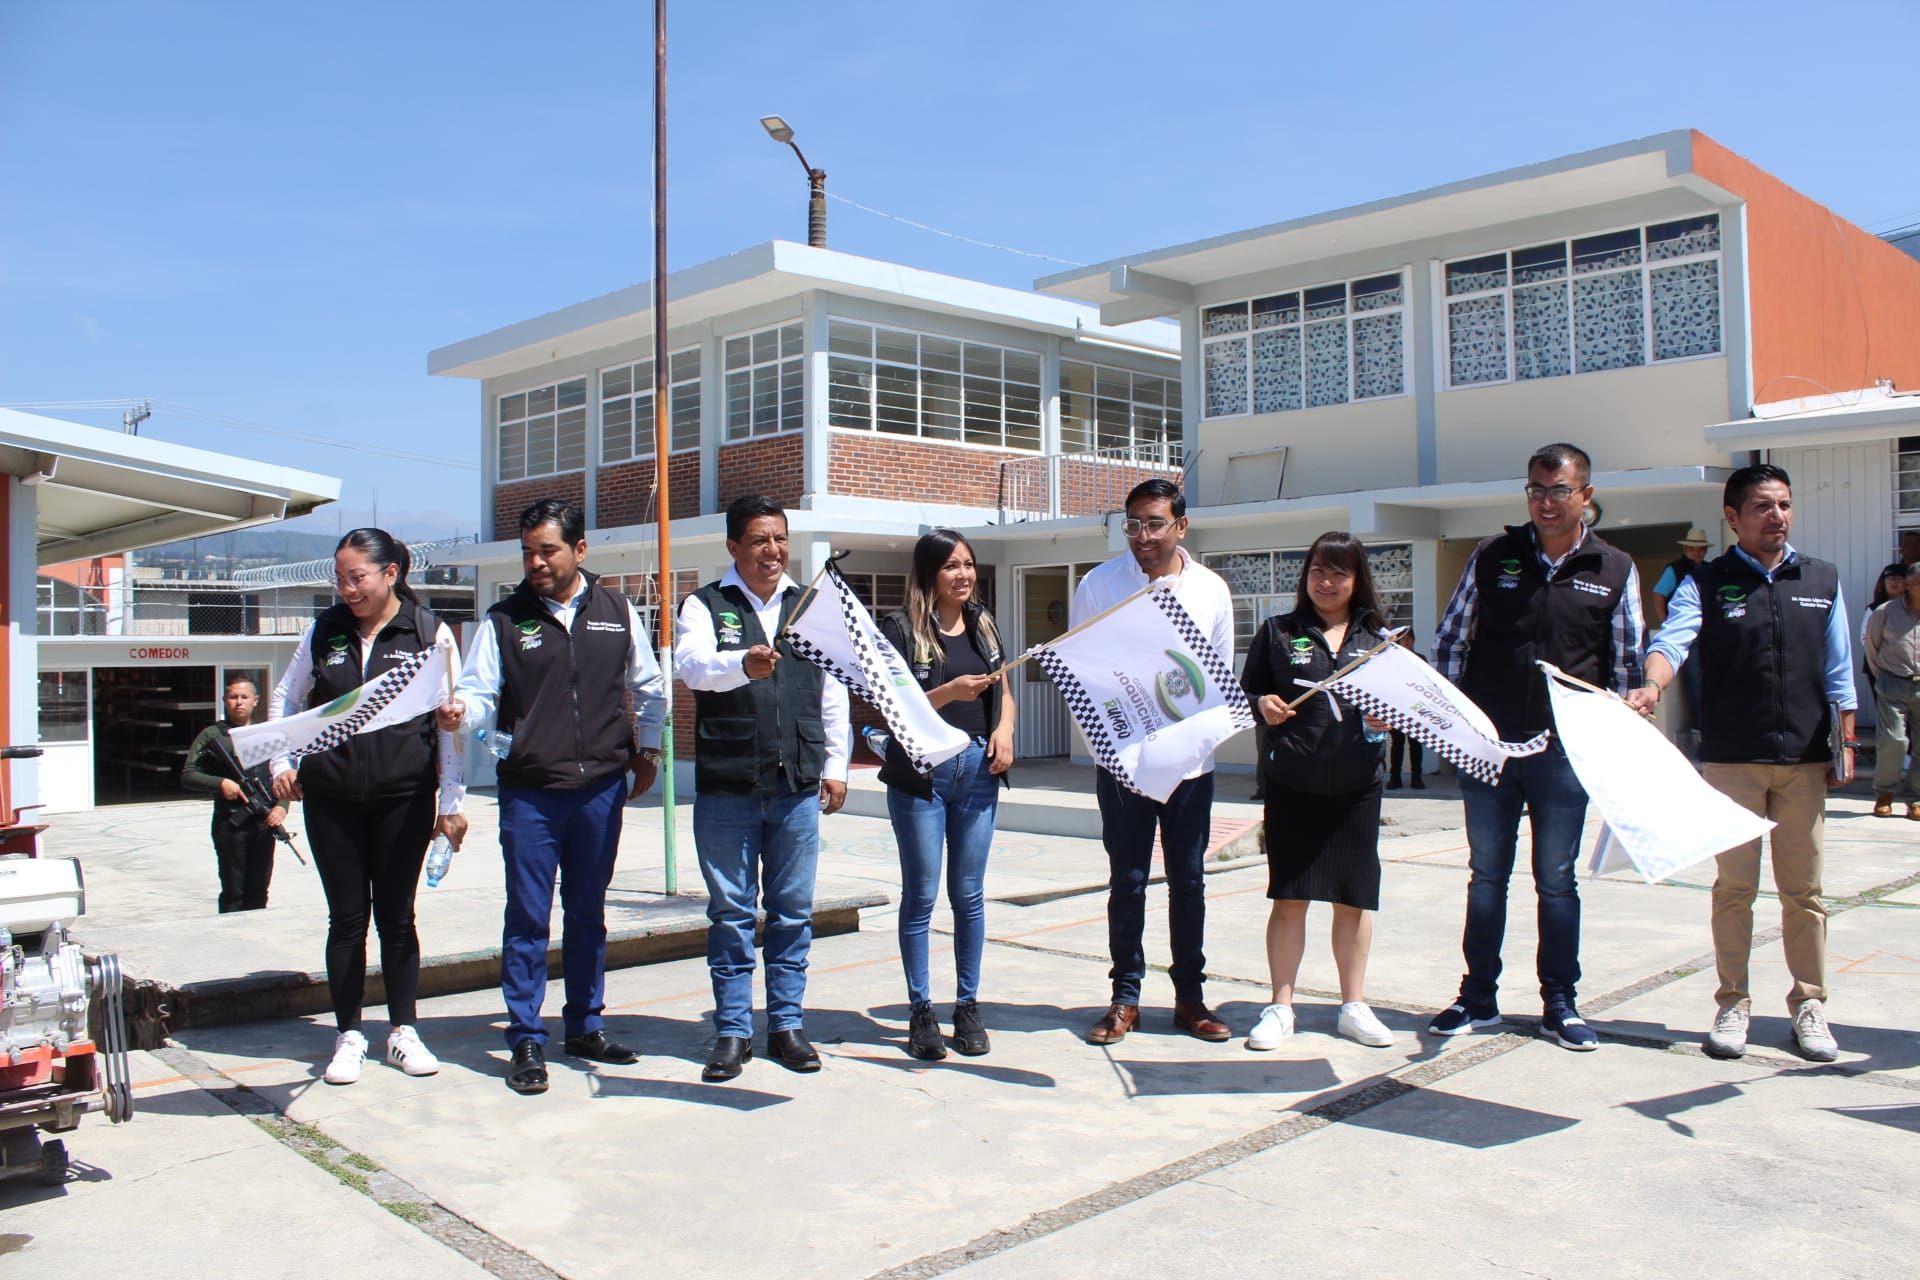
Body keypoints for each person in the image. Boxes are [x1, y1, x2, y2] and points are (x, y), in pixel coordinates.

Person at [1628, 464, 1857, 1063]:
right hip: (1733, 761)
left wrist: (1846, 745)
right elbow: (1672, 640)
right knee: (1735, 890)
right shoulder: (1706, 582)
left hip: (1804, 760)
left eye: (1783, 504)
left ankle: (1809, 1004)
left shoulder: (1822, 579)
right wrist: (1652, 686)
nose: (1775, 516)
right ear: (1732, 518)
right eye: (1761, 507)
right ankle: (1733, 1004)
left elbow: (1839, 672)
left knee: (1803, 892)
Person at [441, 499, 667, 1095]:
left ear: (579, 550)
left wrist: (647, 752)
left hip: (599, 790)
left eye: (548, 550)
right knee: (528, 918)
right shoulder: (505, 619)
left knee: (589, 912)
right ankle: (524, 1037)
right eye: (528, 552)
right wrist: (464, 715)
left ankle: (586, 1025)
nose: (536, 562)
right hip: (532, 795)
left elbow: (649, 687)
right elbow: (479, 692)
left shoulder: (617, 610)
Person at [1429, 443, 1643, 1052]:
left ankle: (1560, 1002)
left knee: (1555, 880)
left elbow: (1627, 663)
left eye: (1559, 491)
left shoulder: (1614, 568)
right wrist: (1459, 724)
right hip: (1493, 747)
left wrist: (1624, 730)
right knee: (1485, 876)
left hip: (1564, 754)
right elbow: (1450, 643)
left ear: (1586, 496)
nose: (1545, 503)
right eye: (1535, 490)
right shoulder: (1494, 555)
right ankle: (1478, 999)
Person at [270, 529, 466, 1085]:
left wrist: (449, 803)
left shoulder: (429, 632)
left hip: (403, 798)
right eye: (340, 578)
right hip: (331, 798)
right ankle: (349, 1034)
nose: (347, 588)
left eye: (357, 576)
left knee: (397, 920)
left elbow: (446, 725)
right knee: (347, 921)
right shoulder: (323, 630)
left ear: (390, 574)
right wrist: (281, 763)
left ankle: (403, 1031)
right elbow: (286, 698)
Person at [677, 495, 850, 1082]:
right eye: (758, 540)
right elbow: (693, 666)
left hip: (797, 784)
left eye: (779, 539)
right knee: (730, 914)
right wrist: (740, 665)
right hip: (728, 783)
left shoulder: (812, 606)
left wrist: (837, 766)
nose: (771, 551)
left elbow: (832, 690)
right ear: (733, 547)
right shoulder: (705, 605)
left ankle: (786, 1025)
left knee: (792, 913)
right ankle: (731, 1031)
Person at [1075, 479, 1236, 1047]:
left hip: (1188, 764)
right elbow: (1084, 670)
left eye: (1154, 524)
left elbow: (1215, 681)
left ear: (1181, 526)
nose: (1143, 536)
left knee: (1188, 882)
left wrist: (1189, 745)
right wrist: (1116, 742)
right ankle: (1125, 998)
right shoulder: (1099, 584)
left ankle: (1190, 997)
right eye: (1133, 524)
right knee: (1129, 881)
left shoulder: (1211, 590)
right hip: (1123, 760)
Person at [1240, 532, 1396, 1050]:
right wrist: (1263, 704)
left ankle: (1353, 1005)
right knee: (1290, 897)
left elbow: (1406, 707)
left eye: (1339, 574)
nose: (1326, 583)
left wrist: (1386, 721)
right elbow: (1246, 693)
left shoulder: (1380, 640)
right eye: (1317, 572)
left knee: (1354, 901)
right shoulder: (1280, 632)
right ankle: (1281, 1008)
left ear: (1357, 581)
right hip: (1293, 784)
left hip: (1357, 787)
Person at [877, 530, 1015, 1060]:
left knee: (970, 895)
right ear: (929, 573)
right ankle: (921, 1010)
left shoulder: (983, 623)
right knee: (921, 896)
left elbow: (1004, 691)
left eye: (969, 564)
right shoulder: (899, 628)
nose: (963, 574)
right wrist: (948, 694)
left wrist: (1004, 732)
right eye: (951, 566)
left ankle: (967, 1006)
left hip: (979, 770)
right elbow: (892, 709)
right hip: (921, 775)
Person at [181, 676, 285, 913]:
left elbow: (281, 775)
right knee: (233, 891)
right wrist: (221, 784)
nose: (239, 702)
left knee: (259, 890)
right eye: (233, 697)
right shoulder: (212, 735)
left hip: (263, 823)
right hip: (230, 823)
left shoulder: (266, 732)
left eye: (244, 697)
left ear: (255, 701)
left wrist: (282, 807)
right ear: (225, 700)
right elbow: (188, 774)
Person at [1863, 561, 1920, 820]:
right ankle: (1885, 793)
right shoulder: (1885, 612)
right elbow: (1872, 649)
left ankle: (1916, 799)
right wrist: (1884, 676)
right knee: (1894, 740)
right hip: (1893, 683)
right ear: (1908, 585)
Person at [1651, 527, 1712, 744]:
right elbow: (1659, 594)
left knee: (1710, 678)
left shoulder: (1709, 569)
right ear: (1686, 549)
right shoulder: (1674, 570)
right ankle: (1699, 725)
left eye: (1701, 550)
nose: (1697, 553)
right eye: (1694, 549)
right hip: (1688, 637)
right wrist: (1668, 623)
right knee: (1694, 679)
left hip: (1709, 634)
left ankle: (1709, 723)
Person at [1860, 562, 1906, 702]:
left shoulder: (1914, 608)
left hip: (1910, 670)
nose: (1894, 582)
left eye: (1898, 579)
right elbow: (1865, 639)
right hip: (1880, 668)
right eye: (1889, 579)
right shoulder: (1874, 609)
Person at [1385, 628, 1424, 790]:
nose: (1407, 641)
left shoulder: (1420, 659)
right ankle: (1395, 778)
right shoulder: (1391, 659)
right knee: (1397, 743)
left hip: (1415, 707)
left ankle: (1417, 778)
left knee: (1415, 743)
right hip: (1397, 706)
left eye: (1409, 639)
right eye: (1403, 639)